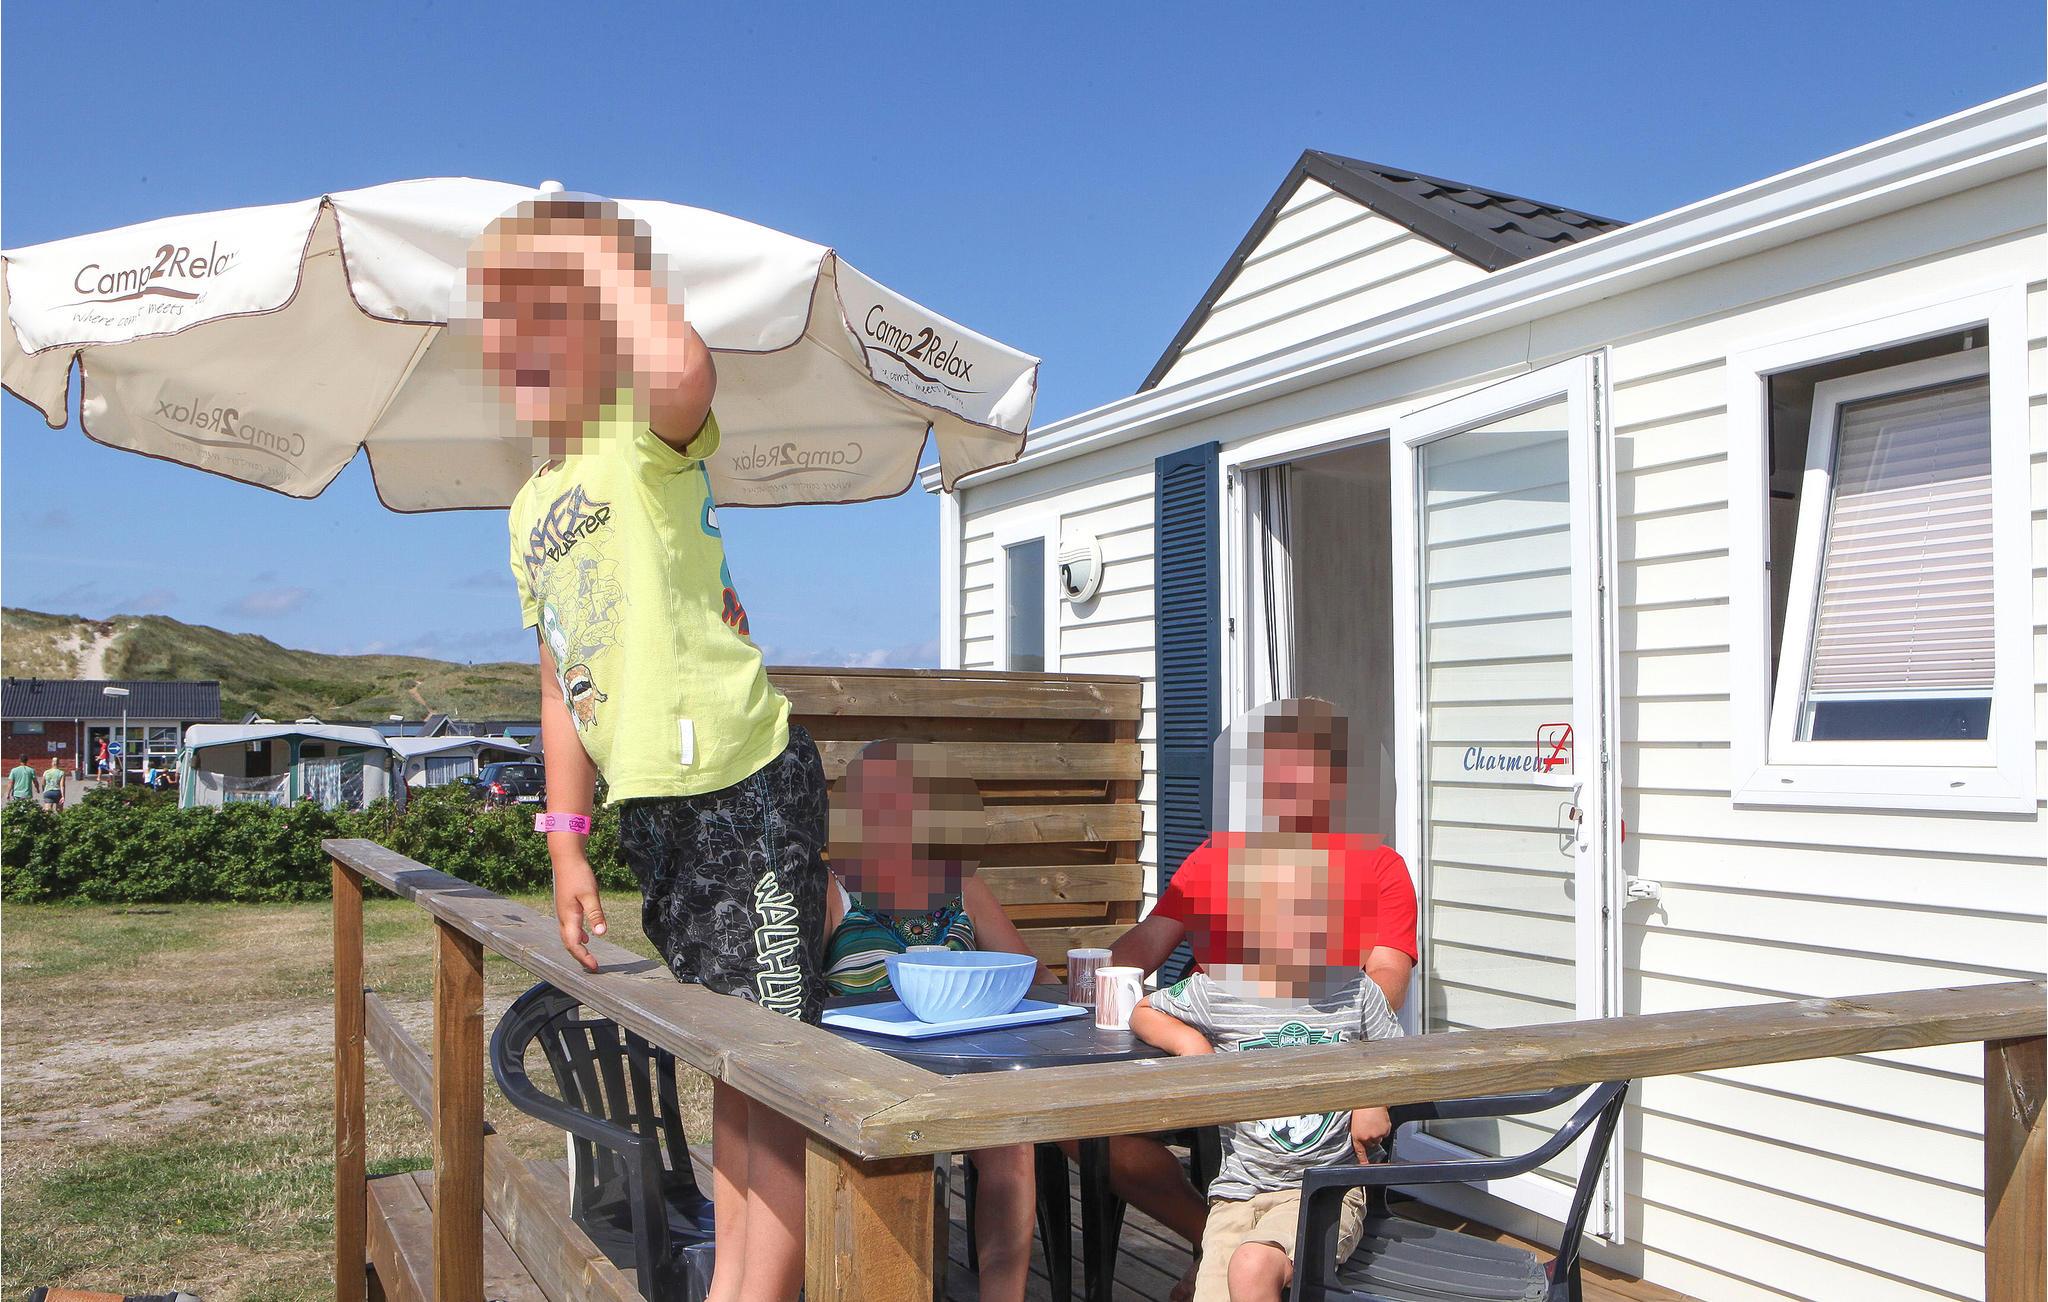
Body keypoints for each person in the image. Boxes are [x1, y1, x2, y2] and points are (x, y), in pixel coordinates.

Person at [481, 190, 825, 1302]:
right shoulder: (525, 510)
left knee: (777, 1075)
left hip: (746, 785)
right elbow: (558, 685)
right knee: (729, 1064)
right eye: (503, 327)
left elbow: (685, 368)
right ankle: (737, 1282)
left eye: (546, 321)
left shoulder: (641, 431)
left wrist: (594, 254)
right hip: (654, 812)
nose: (518, 345)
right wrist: (564, 841)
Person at [1103, 698, 1418, 1299]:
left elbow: (1386, 982)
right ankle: (1222, 1243)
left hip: (1311, 1064)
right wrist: (1103, 983)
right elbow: (1139, 952)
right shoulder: (1218, 857)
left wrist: (1320, 1040)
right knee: (1073, 1124)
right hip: (1206, 1050)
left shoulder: (1378, 866)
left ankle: (1248, 1257)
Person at [1130, 838, 1404, 1302]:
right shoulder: (1219, 991)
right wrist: (1190, 1043)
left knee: (1253, 1265)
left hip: (1326, 1190)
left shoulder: (1354, 991)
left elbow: (1399, 1056)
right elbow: (1144, 1010)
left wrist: (1371, 1096)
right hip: (1238, 1193)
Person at [822, 741, 1045, 1302]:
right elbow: (802, 993)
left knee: (1012, 1140)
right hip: (865, 1069)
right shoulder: (833, 889)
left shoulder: (961, 886)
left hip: (964, 1064)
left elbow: (1028, 973)